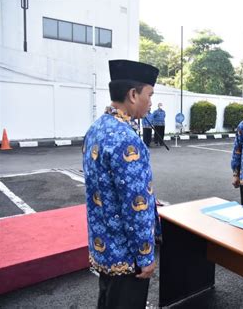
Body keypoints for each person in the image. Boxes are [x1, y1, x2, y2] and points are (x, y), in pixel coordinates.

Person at [83, 59, 160, 308]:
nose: (150, 101)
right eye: (149, 94)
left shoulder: (97, 128)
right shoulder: (127, 139)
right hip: (127, 256)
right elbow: (134, 207)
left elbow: (106, 186)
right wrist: (145, 256)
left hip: (104, 245)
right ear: (133, 94)